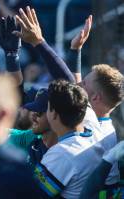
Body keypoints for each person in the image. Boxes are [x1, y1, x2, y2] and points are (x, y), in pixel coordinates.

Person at [14, 6, 121, 186]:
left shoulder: (93, 131)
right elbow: (73, 82)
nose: (79, 85)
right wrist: (75, 50)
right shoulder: (99, 124)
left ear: (95, 98)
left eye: (84, 85)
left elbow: (69, 82)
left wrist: (39, 42)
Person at [34, 80, 104, 198]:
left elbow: (33, 194)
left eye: (47, 108)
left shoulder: (61, 154)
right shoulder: (95, 131)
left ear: (54, 114)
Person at [9, 88, 57, 165]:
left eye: (38, 113)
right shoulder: (35, 138)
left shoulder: (63, 154)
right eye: (34, 111)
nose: (33, 118)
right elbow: (12, 135)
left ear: (54, 115)